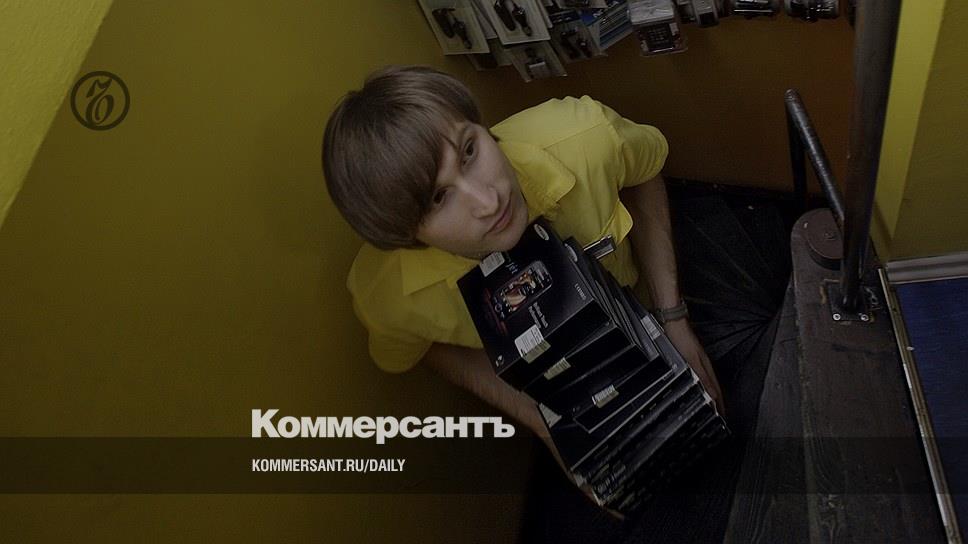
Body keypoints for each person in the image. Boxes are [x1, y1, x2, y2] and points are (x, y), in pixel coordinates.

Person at [322, 65, 723, 488]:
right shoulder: (388, 295)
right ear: (405, 235)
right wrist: (543, 422)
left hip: (646, 313)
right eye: (439, 198)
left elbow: (646, 173)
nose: (489, 201)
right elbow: (425, 349)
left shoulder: (586, 137)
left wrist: (673, 317)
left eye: (469, 151)